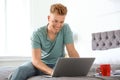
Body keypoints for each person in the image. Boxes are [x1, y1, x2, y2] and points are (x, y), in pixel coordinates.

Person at [9, 3, 80, 80]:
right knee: (21, 70)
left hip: (58, 65)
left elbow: (72, 51)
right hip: (39, 65)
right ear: (49, 18)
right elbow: (36, 61)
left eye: (61, 22)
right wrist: (51, 72)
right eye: (55, 21)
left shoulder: (65, 28)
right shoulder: (37, 34)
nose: (58, 25)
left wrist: (80, 66)